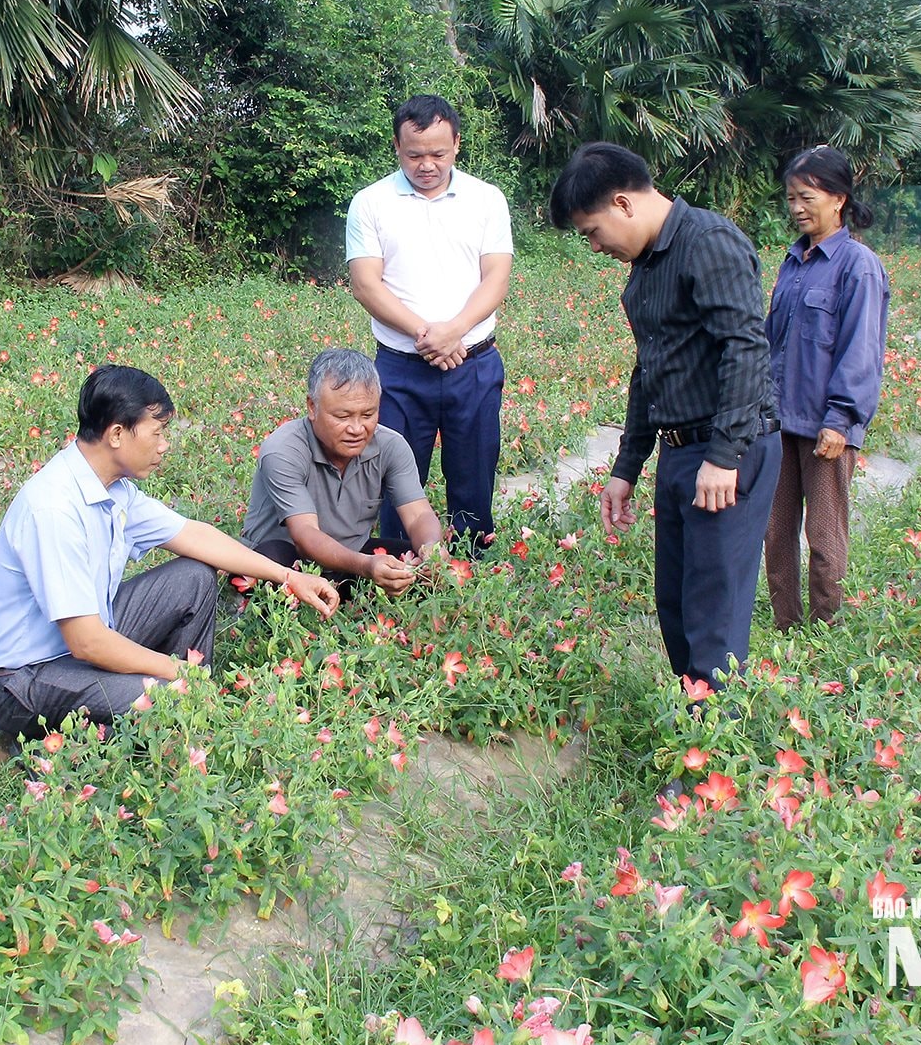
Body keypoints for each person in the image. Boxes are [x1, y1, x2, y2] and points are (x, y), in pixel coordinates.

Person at [0, 365, 340, 748]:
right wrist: (174, 671)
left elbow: (194, 536)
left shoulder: (112, 488)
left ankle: (170, 702)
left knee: (195, 576)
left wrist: (288, 577)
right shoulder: (54, 509)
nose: (164, 445)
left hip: (80, 646)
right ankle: (122, 722)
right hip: (24, 680)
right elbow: (87, 642)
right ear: (117, 433)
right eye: (158, 433)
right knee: (166, 699)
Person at [548, 142, 780, 700]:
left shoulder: (709, 243)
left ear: (623, 204)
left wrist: (724, 456)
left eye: (592, 231)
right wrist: (627, 466)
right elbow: (649, 371)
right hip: (682, 451)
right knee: (675, 599)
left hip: (728, 450)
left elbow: (745, 350)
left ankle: (711, 754)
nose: (595, 245)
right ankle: (695, 717)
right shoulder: (645, 269)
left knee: (712, 608)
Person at [346, 94, 513, 548]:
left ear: (457, 144)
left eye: (438, 153)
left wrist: (455, 329)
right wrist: (429, 334)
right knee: (398, 472)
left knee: (475, 468)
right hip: (401, 367)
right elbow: (366, 284)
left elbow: (496, 277)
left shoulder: (486, 199)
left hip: (473, 362)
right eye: (414, 154)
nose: (426, 164)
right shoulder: (370, 203)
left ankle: (469, 561)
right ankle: (399, 563)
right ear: (397, 148)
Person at [763, 145, 889, 629]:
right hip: (780, 421)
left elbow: (861, 349)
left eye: (807, 197)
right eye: (791, 198)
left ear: (838, 199)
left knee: (824, 533)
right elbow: (773, 342)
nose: (796, 208)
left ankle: (825, 629)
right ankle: (786, 626)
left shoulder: (857, 265)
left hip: (825, 427)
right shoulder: (793, 263)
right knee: (776, 532)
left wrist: (841, 418)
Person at [242, 349, 446, 594]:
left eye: (368, 414)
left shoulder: (391, 446)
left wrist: (431, 550)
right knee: (273, 562)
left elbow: (418, 515)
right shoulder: (283, 449)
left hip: (352, 559)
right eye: (343, 416)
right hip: (290, 559)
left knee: (418, 568)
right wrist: (367, 566)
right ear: (312, 407)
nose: (357, 428)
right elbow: (305, 535)